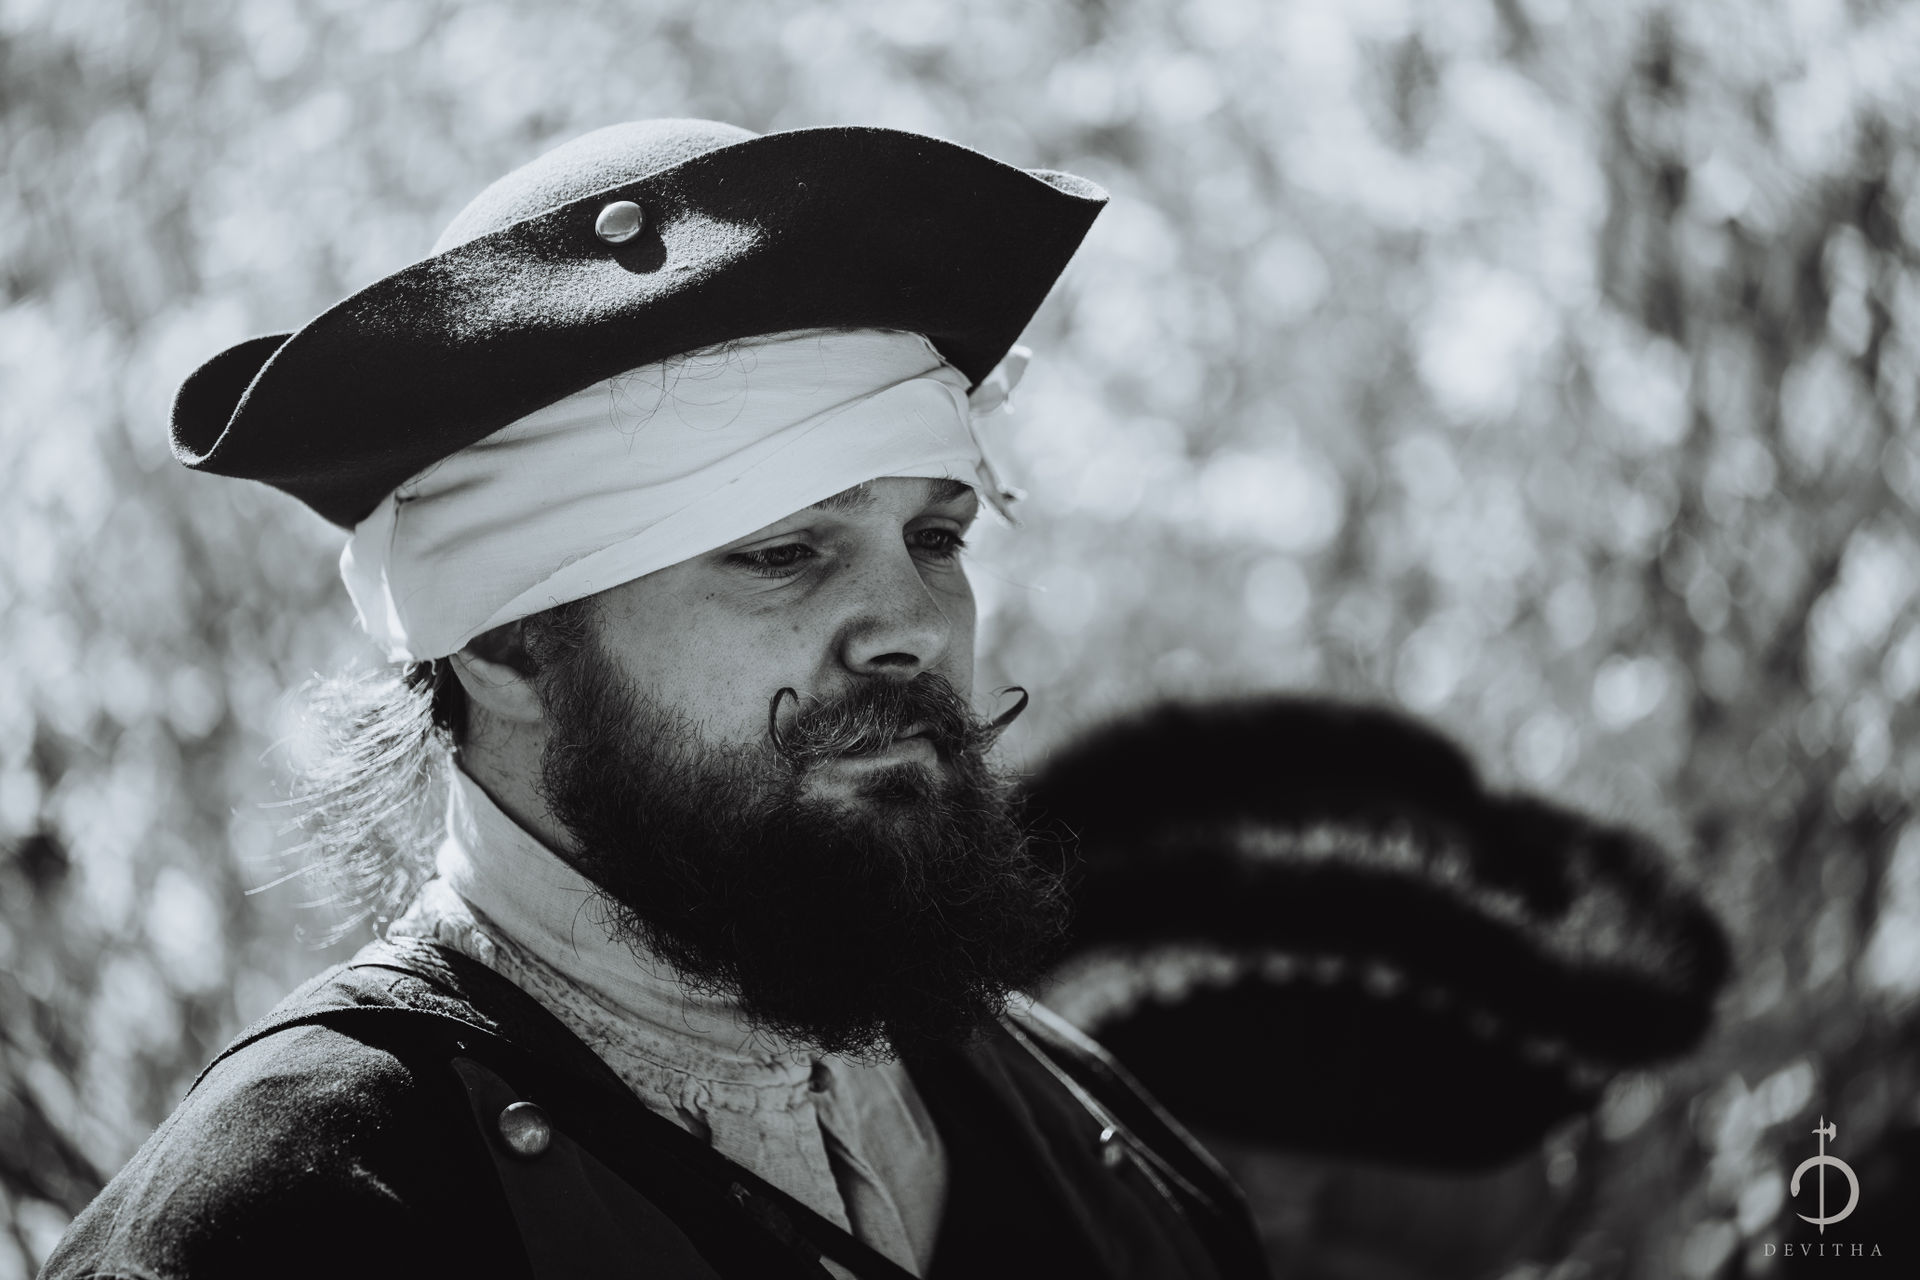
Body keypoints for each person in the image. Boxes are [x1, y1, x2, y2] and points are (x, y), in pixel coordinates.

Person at [42, 120, 1269, 1279]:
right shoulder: (283, 1224)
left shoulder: (1099, 1139)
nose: (917, 624)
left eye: (936, 537)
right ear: (509, 646)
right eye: (783, 552)